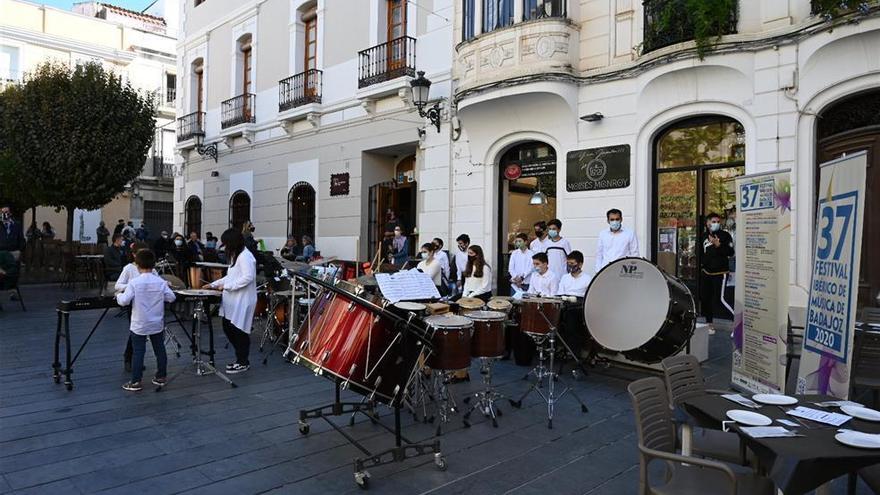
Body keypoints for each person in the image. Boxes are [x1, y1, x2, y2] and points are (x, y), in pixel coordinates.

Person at [115, 249, 175, 391]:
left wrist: (117, 295)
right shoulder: (160, 282)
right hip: (156, 322)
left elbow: (124, 301)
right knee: (160, 349)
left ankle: (136, 381)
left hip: (139, 323)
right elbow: (171, 297)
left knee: (138, 352)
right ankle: (161, 376)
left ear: (137, 265)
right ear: (153, 264)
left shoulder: (134, 283)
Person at [205, 228, 257, 373]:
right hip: (233, 300)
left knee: (239, 330)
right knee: (228, 327)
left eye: (226, 243)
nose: (225, 247)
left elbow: (248, 277)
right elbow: (231, 276)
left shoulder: (245, 257)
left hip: (242, 299)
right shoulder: (237, 256)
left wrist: (226, 287)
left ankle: (243, 361)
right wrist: (214, 284)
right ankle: (240, 359)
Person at [701, 212, 734, 335]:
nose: (716, 224)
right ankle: (709, 325)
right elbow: (700, 253)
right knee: (706, 299)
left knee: (721, 300)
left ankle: (737, 323)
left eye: (718, 222)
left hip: (720, 273)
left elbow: (730, 252)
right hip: (706, 272)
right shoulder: (704, 236)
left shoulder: (725, 235)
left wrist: (718, 245)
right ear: (708, 223)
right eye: (713, 221)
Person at [595, 208, 640, 273]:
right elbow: (599, 254)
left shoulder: (630, 233)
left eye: (617, 219)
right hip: (605, 271)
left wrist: (632, 272)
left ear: (621, 219)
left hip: (623, 271)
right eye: (612, 219)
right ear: (608, 221)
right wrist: (598, 271)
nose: (615, 221)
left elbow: (635, 254)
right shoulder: (603, 234)